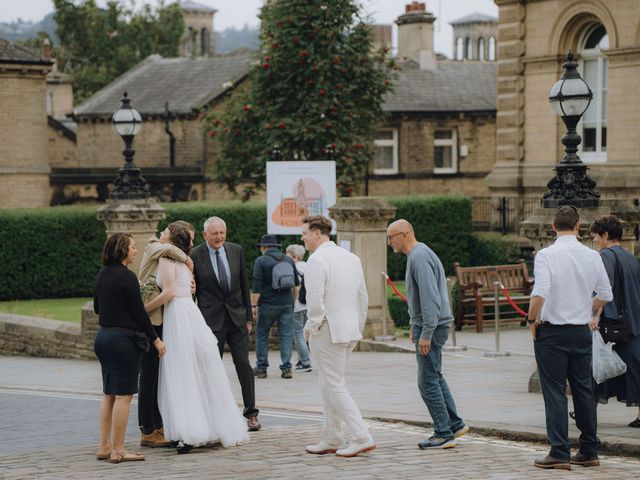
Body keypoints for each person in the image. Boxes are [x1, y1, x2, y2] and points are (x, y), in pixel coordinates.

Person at [144, 223, 249, 452]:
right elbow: (186, 288)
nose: (162, 235)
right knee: (200, 370)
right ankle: (214, 426)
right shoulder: (186, 261)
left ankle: (189, 432)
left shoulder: (168, 259)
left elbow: (169, 290)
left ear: (171, 239)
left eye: (165, 233)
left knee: (181, 372)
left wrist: (144, 308)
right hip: (190, 313)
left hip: (177, 315)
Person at [527, 206, 612, 470]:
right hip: (581, 331)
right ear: (578, 227)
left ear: (553, 227)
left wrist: (531, 320)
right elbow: (606, 295)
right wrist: (586, 306)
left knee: (554, 392)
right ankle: (589, 449)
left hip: (552, 332)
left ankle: (560, 451)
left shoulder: (546, 255)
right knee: (584, 390)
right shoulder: (592, 255)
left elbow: (540, 292)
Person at [386, 219, 468, 450]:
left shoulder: (418, 257)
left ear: (404, 234)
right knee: (435, 375)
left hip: (433, 326)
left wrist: (426, 332)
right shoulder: (420, 253)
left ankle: (443, 433)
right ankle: (455, 424)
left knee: (427, 382)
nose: (389, 242)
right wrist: (416, 324)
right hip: (430, 324)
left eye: (391, 237)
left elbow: (430, 297)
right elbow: (421, 298)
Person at [301, 215, 375, 458]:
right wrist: (357, 326)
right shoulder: (351, 258)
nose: (302, 238)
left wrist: (312, 326)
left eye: (305, 233)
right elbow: (362, 297)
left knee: (334, 385)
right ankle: (332, 435)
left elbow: (314, 301)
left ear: (318, 233)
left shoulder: (316, 260)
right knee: (328, 383)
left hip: (327, 329)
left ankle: (361, 436)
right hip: (347, 329)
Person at [93, 233, 166, 464]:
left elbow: (97, 308)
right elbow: (139, 314)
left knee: (109, 394)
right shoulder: (127, 277)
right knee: (124, 396)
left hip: (103, 338)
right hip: (123, 341)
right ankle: (119, 450)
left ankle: (104, 447)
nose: (136, 250)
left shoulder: (102, 274)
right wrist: (156, 340)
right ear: (123, 250)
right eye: (133, 247)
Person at [191, 216, 261, 432]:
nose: (219, 237)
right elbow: (192, 290)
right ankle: (213, 414)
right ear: (205, 235)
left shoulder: (236, 250)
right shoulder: (195, 255)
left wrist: (248, 318)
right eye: (214, 233)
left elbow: (243, 284)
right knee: (212, 367)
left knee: (244, 365)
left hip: (237, 318)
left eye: (222, 232)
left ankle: (251, 414)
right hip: (211, 321)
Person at [137, 221, 194, 448]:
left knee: (159, 375)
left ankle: (159, 425)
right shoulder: (153, 244)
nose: (162, 234)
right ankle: (147, 430)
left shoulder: (172, 257)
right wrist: (187, 257)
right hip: (149, 318)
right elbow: (169, 249)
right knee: (148, 374)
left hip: (164, 319)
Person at [590, 215, 640, 427]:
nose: (594, 240)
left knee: (594, 366)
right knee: (636, 368)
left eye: (595, 236)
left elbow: (604, 289)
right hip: (633, 321)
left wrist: (594, 315)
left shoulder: (606, 256)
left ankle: (586, 411)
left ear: (606, 235)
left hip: (613, 322)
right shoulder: (631, 257)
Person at [252, 234, 299, 379]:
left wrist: (253, 305)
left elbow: (256, 287)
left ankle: (261, 368)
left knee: (261, 334)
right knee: (286, 335)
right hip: (286, 303)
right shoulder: (288, 259)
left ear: (264, 247)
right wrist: (292, 301)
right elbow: (296, 285)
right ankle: (286, 368)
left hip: (268, 304)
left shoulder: (261, 261)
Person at [286, 243, 312, 372]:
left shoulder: (292, 268)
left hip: (297, 305)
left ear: (295, 257)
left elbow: (293, 288)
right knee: (305, 334)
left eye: (288, 255)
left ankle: (306, 362)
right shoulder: (308, 266)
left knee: (298, 334)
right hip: (308, 305)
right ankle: (301, 360)